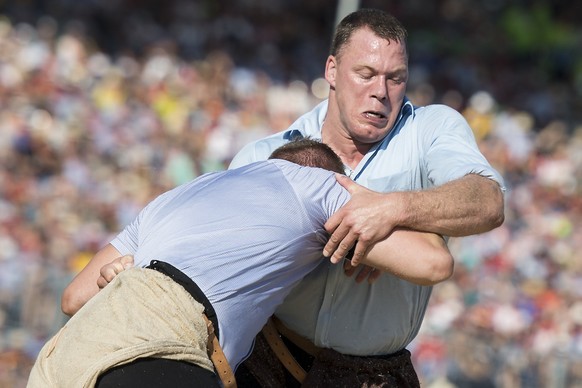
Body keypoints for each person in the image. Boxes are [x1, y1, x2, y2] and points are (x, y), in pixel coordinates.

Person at [27, 139, 454, 388]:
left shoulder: (185, 193)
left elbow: (73, 297)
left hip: (67, 356)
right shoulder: (318, 185)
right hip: (161, 348)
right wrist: (373, 205)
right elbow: (432, 264)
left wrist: (121, 276)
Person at [229, 8, 506, 387]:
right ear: (331, 70)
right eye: (366, 74)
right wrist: (380, 238)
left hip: (375, 375)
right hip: (269, 361)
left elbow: (487, 202)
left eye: (396, 78)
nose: (381, 91)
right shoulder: (261, 157)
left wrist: (391, 210)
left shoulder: (430, 129)